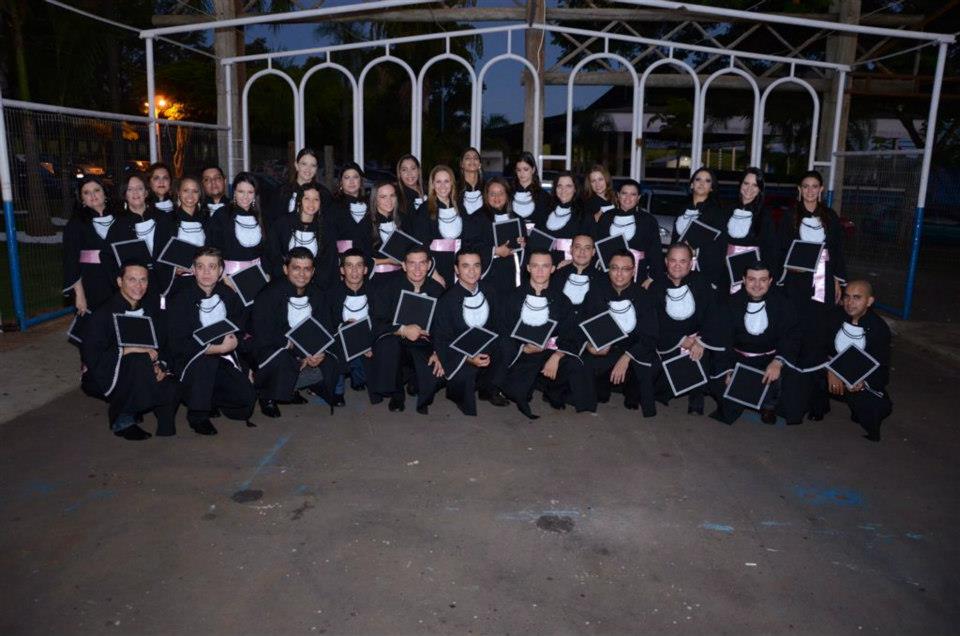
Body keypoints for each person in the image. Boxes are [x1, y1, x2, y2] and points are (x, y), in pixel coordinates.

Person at [80, 260, 177, 440]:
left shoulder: (151, 310)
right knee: (137, 362)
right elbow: (91, 353)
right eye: (132, 279)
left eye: (143, 280)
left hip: (144, 367)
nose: (138, 286)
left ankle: (164, 425)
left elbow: (165, 344)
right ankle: (123, 419)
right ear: (119, 281)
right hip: (106, 372)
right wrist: (127, 350)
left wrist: (161, 366)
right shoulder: (103, 313)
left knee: (169, 382)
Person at [166, 247, 256, 435]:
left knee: (245, 401)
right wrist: (213, 349)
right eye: (200, 267)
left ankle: (212, 399)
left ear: (221, 270)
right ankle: (197, 415)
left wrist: (237, 346)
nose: (206, 272)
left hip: (224, 356)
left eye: (212, 267)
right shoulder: (180, 299)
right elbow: (177, 342)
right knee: (206, 365)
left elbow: (239, 327)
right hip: (192, 359)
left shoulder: (228, 294)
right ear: (193, 269)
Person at [778, 170, 848, 400]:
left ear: (821, 190)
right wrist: (789, 266)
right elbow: (781, 250)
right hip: (796, 282)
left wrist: (837, 280)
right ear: (799, 190)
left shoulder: (830, 217)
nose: (810, 191)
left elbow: (837, 250)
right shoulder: (789, 216)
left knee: (818, 333)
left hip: (823, 281)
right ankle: (790, 390)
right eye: (805, 186)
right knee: (795, 329)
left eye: (814, 186)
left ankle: (816, 396)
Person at [501, 249, 593, 418]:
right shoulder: (513, 297)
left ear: (552, 269)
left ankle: (552, 390)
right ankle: (532, 383)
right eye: (535, 266)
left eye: (545, 266)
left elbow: (570, 332)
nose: (540, 271)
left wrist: (557, 356)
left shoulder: (562, 299)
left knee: (574, 365)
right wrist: (523, 348)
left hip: (550, 351)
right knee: (515, 391)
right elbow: (504, 329)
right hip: (524, 353)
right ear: (528, 268)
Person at [711, 261, 805, 426]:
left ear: (770, 281)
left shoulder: (782, 303)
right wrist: (728, 369)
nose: (757, 285)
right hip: (738, 358)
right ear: (744, 280)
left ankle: (769, 406)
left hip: (769, 359)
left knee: (791, 379)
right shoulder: (730, 303)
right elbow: (723, 339)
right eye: (751, 279)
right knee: (726, 399)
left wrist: (778, 361)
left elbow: (791, 335)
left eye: (763, 280)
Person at [580, 250, 659, 416]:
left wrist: (626, 357)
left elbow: (650, 335)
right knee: (586, 363)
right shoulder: (595, 293)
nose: (619, 274)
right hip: (606, 349)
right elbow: (582, 324)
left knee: (651, 365)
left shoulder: (644, 296)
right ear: (609, 270)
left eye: (625, 269)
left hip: (634, 349)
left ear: (633, 271)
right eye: (615, 268)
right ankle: (601, 389)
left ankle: (632, 393)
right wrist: (589, 345)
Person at [251, 247, 328, 418]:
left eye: (307, 269)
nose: (302, 274)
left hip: (300, 348)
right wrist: (298, 351)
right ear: (286, 269)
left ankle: (290, 387)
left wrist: (316, 351)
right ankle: (267, 394)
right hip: (272, 348)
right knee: (284, 359)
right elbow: (262, 333)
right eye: (296, 268)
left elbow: (324, 327)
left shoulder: (317, 294)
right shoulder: (269, 294)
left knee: (331, 366)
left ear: (313, 271)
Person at [368, 246, 446, 414]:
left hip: (424, 343)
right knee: (387, 346)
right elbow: (377, 322)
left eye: (422, 263)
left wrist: (439, 352)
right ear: (404, 265)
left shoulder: (437, 290)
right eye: (412, 263)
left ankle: (415, 382)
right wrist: (403, 330)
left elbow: (444, 327)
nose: (417, 269)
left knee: (435, 374)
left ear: (429, 265)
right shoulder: (388, 287)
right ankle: (397, 394)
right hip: (396, 338)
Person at [432, 248, 509, 415]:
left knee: (506, 345)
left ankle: (489, 388)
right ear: (456, 269)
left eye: (476, 265)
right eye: (465, 266)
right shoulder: (447, 300)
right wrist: (467, 357)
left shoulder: (490, 290)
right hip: (459, 352)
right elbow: (442, 338)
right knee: (465, 376)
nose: (472, 271)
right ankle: (458, 392)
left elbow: (499, 324)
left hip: (486, 343)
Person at [813, 280, 892, 441]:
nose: (850, 303)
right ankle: (818, 406)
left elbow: (881, 367)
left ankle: (861, 412)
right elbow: (816, 347)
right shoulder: (832, 317)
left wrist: (863, 382)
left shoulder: (879, 329)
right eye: (847, 297)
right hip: (828, 372)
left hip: (857, 380)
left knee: (879, 405)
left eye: (857, 298)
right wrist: (830, 370)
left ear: (869, 301)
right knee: (805, 378)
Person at [649, 243, 723, 414]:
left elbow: (713, 315)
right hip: (669, 342)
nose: (677, 265)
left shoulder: (702, 282)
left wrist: (700, 340)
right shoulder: (656, 287)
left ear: (690, 263)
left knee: (702, 356)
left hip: (698, 341)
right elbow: (655, 322)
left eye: (683, 261)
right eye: (673, 260)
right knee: (657, 384)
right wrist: (681, 340)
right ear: (666, 262)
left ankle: (697, 398)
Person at [63, 176, 119, 337]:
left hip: (120, 281)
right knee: (94, 334)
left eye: (96, 190)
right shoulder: (75, 224)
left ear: (105, 193)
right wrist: (80, 295)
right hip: (92, 284)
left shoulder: (121, 218)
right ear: (81, 199)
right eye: (86, 193)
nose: (93, 195)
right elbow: (71, 262)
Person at [319, 248, 376, 407]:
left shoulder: (375, 291)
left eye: (359, 265)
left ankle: (359, 379)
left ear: (365, 269)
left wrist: (364, 338)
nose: (354, 271)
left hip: (368, 340)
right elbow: (326, 323)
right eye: (349, 266)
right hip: (340, 340)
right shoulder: (331, 293)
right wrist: (345, 328)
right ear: (342, 270)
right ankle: (338, 391)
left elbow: (380, 320)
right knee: (338, 347)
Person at [415, 164, 483, 287]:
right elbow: (421, 244)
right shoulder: (424, 209)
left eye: (446, 181)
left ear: (452, 183)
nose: (443, 186)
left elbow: (470, 240)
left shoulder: (460, 207)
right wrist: (433, 272)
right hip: (436, 266)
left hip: (459, 267)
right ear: (433, 184)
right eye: (438, 182)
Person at [263, 182, 337, 288]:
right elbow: (273, 254)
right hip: (284, 283)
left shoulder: (326, 229)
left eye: (316, 199)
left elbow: (328, 262)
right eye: (307, 198)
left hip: (315, 286)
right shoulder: (283, 223)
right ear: (299, 201)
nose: (311, 203)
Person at [112, 173, 175, 297]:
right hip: (135, 288)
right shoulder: (119, 225)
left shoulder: (163, 218)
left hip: (167, 281)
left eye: (140, 188)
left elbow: (174, 249)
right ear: (124, 194)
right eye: (130, 189)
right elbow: (108, 258)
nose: (135, 192)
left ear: (146, 192)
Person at [594, 179, 663, 286]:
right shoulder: (606, 217)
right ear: (618, 195)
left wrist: (652, 277)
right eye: (624, 193)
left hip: (638, 275)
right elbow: (598, 246)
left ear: (638, 197)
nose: (628, 198)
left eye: (633, 194)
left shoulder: (648, 220)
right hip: (608, 274)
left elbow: (656, 252)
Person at [723, 167, 779, 295]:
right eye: (746, 183)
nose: (749, 188)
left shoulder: (765, 215)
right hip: (725, 272)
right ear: (740, 185)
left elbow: (771, 250)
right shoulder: (727, 210)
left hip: (753, 275)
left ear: (760, 189)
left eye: (755, 185)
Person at [671, 167, 726, 294]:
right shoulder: (682, 209)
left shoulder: (717, 212)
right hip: (679, 268)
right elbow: (674, 240)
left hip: (705, 269)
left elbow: (721, 246)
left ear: (712, 187)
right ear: (692, 184)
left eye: (707, 181)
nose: (702, 183)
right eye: (698, 179)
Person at [207, 171, 265, 277]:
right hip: (229, 276)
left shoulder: (261, 216)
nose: (245, 196)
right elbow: (212, 250)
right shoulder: (221, 215)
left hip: (258, 275)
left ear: (255, 194)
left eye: (250, 192)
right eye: (241, 191)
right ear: (234, 191)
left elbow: (267, 252)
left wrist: (267, 273)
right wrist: (223, 276)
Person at [477, 176, 526, 294]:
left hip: (512, 274)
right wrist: (494, 251)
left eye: (501, 193)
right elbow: (471, 245)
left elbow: (526, 249)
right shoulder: (477, 219)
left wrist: (523, 244)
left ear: (507, 195)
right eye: (492, 194)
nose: (497, 197)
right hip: (489, 275)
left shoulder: (517, 219)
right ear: (486, 196)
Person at [266, 147, 333, 232]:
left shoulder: (323, 194)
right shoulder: (281, 192)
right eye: (304, 164)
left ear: (316, 168)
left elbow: (328, 225)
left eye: (313, 165)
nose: (308, 169)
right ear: (296, 165)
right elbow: (272, 223)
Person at [543, 170, 594, 265]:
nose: (563, 190)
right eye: (559, 186)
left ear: (575, 189)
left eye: (568, 186)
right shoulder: (546, 211)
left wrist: (572, 262)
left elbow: (589, 247)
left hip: (570, 266)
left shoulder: (584, 215)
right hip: (544, 266)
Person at [367, 181, 409, 280]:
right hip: (376, 279)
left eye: (392, 196)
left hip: (403, 277)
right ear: (375, 200)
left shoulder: (404, 219)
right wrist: (388, 261)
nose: (389, 200)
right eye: (383, 197)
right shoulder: (366, 224)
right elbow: (360, 258)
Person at [328, 161, 368, 257]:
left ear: (361, 181)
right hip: (342, 259)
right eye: (347, 178)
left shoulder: (371, 205)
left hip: (369, 259)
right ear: (341, 182)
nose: (351, 181)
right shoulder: (332, 206)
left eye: (355, 177)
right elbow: (329, 239)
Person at [553, 233, 602, 307]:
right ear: (571, 249)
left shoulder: (601, 279)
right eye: (578, 247)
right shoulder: (557, 276)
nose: (582, 251)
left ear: (593, 252)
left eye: (587, 248)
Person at [510, 152, 552, 230]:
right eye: (519, 170)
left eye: (526, 169)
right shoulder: (509, 194)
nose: (522, 173)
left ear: (533, 170)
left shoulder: (544, 197)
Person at [459, 147, 485, 215]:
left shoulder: (487, 187)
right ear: (462, 164)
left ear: (480, 164)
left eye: (475, 158)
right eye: (467, 158)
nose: (472, 160)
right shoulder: (455, 188)